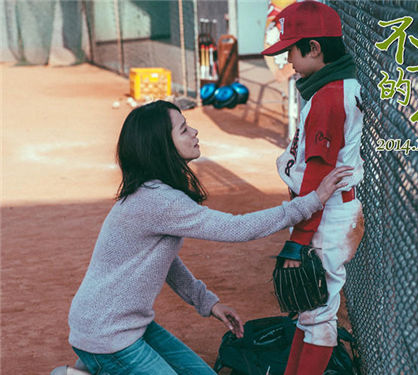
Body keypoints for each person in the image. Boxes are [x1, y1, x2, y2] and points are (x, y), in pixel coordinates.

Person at [52, 100, 352, 375]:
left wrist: (208, 302)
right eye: (183, 129)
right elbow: (237, 229)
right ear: (161, 146)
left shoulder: (154, 193)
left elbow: (164, 262)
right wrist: (313, 200)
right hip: (108, 335)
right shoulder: (157, 200)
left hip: (125, 326)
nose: (194, 131)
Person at [262, 2, 365, 375]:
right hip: (326, 209)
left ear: (315, 48)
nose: (287, 58)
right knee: (309, 312)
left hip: (325, 213)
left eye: (291, 48)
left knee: (318, 314)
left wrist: (298, 241)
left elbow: (316, 179)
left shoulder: (329, 98)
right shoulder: (328, 87)